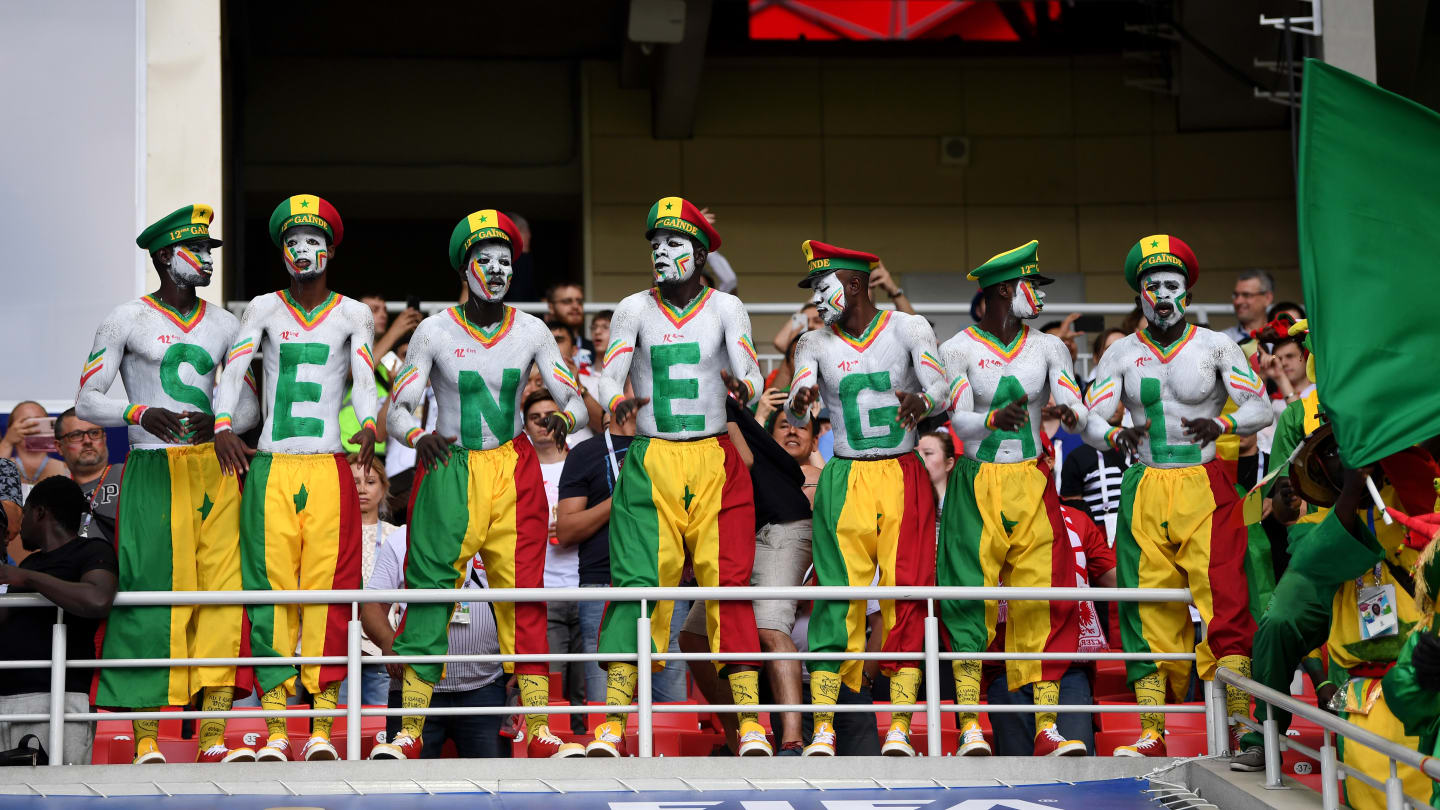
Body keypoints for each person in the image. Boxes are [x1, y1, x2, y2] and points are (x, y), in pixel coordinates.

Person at [377, 208, 588, 761]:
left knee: (524, 598)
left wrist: (568, 418)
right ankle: (409, 730)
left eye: (505, 261)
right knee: (428, 597)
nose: (496, 270)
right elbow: (396, 411)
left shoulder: (534, 329)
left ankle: (540, 725)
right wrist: (419, 433)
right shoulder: (433, 331)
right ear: (464, 267)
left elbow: (573, 399)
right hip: (450, 464)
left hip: (513, 467)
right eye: (484, 260)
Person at [77, 204, 260, 764]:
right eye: (196, 251)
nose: (206, 260)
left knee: (222, 597)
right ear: (163, 256)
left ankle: (212, 737)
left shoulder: (228, 323)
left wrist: (223, 423)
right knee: (148, 593)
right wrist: (138, 413)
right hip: (154, 466)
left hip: (214, 466)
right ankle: (148, 736)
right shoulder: (125, 319)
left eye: (209, 251)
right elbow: (85, 399)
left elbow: (251, 405)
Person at [590, 196, 768, 757]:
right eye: (656, 244)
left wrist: (748, 391)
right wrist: (613, 397)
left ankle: (751, 720)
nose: (663, 253)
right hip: (652, 456)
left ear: (699, 252)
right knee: (636, 588)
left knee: (729, 589)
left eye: (675, 244)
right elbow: (608, 371)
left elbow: (750, 371)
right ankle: (612, 722)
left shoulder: (726, 308)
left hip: (714, 458)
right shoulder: (631, 308)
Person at [1082, 234, 1272, 756]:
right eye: (1152, 286)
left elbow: (1260, 407)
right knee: (1146, 610)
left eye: (1171, 284)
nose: (1162, 294)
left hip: (1204, 483)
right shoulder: (1121, 353)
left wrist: (1222, 421)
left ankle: (1244, 724)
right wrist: (1113, 435)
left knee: (1228, 605)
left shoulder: (1217, 345)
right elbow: (1091, 418)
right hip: (1144, 484)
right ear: (1139, 296)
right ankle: (1152, 731)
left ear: (1186, 291)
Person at [212, 193, 378, 762]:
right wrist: (222, 423)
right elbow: (235, 366)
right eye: (292, 242)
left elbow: (362, 375)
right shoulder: (260, 306)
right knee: (269, 595)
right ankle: (279, 727)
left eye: (312, 241)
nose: (302, 251)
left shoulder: (354, 312)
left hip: (330, 463)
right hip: (272, 464)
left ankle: (323, 729)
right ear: (282, 252)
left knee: (330, 598)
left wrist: (371, 423)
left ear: (330, 249)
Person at [784, 239, 947, 757]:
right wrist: (799, 401)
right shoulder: (813, 343)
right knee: (836, 600)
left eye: (822, 286)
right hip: (846, 472)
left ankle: (900, 723)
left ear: (853, 283)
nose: (816, 299)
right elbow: (795, 410)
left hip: (902, 468)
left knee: (907, 596)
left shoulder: (907, 328)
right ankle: (825, 724)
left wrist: (923, 399)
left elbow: (941, 387)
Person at [937, 239, 1090, 758]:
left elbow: (1071, 399)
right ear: (1005, 289)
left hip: (1031, 480)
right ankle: (969, 723)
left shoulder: (1050, 348)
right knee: (967, 602)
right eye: (1034, 286)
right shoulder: (958, 347)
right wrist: (989, 419)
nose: (1041, 297)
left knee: (1042, 599)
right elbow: (953, 418)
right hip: (976, 478)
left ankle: (1046, 723)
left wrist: (1077, 416)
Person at [681, 393, 815, 755]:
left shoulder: (706, 398)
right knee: (694, 637)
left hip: (780, 524)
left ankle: (792, 740)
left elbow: (743, 459)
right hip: (738, 534)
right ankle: (737, 731)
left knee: (769, 628)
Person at [0, 477, 118, 764]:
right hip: (8, 697)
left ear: (40, 513)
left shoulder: (92, 550)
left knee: (56, 798)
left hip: (57, 698)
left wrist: (25, 578)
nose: (21, 525)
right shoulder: (31, 563)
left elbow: (97, 599)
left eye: (25, 513)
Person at [363, 529, 510, 758]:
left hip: (486, 687)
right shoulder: (401, 538)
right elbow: (371, 605)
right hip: (412, 686)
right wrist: (386, 641)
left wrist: (517, 667)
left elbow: (518, 606)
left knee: (493, 785)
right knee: (404, 785)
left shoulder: (493, 534)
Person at [984, 501, 1115, 755]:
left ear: (1049, 464)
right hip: (1007, 664)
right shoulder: (985, 519)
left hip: (1067, 666)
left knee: (1076, 772)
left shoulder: (1077, 520)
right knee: (1016, 770)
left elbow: (1114, 576)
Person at [555, 391, 641, 707]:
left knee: (669, 704)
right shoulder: (586, 453)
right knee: (605, 703)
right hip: (603, 583)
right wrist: (619, 499)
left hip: (665, 583)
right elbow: (565, 530)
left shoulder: (669, 447)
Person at [525, 390, 584, 731]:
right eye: (537, 418)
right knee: (551, 684)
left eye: (552, 415)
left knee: (587, 687)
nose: (546, 423)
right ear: (525, 426)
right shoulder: (518, 468)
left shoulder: (582, 459)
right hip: (540, 591)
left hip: (585, 586)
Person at [346, 453, 400, 707]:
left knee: (378, 729)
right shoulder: (324, 534)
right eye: (354, 482)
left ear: (384, 487)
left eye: (370, 481)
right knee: (339, 732)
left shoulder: (397, 535)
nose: (362, 489)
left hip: (382, 645)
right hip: (338, 646)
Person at [54, 410, 122, 545]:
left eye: (95, 433)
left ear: (104, 438)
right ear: (59, 447)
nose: (87, 441)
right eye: (76, 435)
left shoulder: (129, 475)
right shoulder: (55, 496)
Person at [1, 401, 69, 498]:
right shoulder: (5, 464)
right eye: (26, 422)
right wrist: (7, 442)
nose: (33, 428)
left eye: (39, 422)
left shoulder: (69, 470)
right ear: (10, 430)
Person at [1222, 269, 1275, 343]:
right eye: (1236, 295)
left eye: (1246, 295)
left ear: (1267, 298)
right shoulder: (1223, 340)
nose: (1238, 301)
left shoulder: (1282, 338)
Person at [545, 282, 592, 362]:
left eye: (579, 302)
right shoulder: (539, 345)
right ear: (551, 307)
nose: (576, 306)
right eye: (567, 301)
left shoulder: (596, 349)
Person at [916, 431, 955, 510]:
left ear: (948, 464)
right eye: (915, 453)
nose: (918, 458)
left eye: (928, 453)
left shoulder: (961, 508)